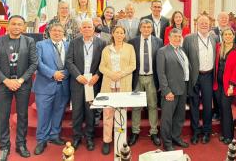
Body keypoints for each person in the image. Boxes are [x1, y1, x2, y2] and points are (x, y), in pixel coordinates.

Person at [0, 15, 38, 161]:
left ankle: (21, 144)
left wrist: (21, 80)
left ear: (23, 27)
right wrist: (6, 81)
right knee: (3, 117)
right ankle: (4, 147)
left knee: (22, 115)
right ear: (8, 26)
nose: (16, 26)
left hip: (22, 84)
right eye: (14, 24)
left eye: (19, 24)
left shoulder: (29, 41)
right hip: (3, 85)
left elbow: (34, 63)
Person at [65, 19, 106, 151]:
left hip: (93, 82)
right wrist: (78, 76)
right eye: (85, 27)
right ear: (81, 29)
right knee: (77, 111)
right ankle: (76, 137)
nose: (87, 29)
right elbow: (69, 61)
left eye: (89, 27)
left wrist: (97, 75)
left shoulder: (101, 43)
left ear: (94, 29)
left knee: (90, 112)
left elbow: (104, 62)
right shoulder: (74, 42)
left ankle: (89, 137)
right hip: (78, 81)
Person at [33, 23, 70, 155]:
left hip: (63, 85)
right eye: (54, 30)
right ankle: (41, 140)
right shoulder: (40, 45)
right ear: (49, 32)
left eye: (60, 31)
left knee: (58, 112)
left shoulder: (68, 45)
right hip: (45, 85)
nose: (57, 33)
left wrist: (64, 73)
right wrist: (53, 73)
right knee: (43, 114)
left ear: (63, 33)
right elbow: (38, 63)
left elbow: (71, 63)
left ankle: (54, 135)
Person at [99, 25, 136, 155]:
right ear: (113, 34)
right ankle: (107, 140)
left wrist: (120, 74)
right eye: (117, 32)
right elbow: (101, 67)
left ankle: (121, 139)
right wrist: (111, 74)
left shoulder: (130, 48)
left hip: (123, 84)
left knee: (121, 113)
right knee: (108, 113)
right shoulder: (106, 49)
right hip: (109, 85)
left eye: (122, 32)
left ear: (124, 35)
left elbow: (133, 65)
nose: (119, 35)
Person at [127, 19, 163, 147]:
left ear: (152, 29)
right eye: (144, 27)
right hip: (137, 77)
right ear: (140, 28)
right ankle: (135, 132)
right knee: (136, 107)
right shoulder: (133, 42)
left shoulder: (159, 42)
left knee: (153, 105)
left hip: (152, 78)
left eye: (149, 27)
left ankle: (154, 132)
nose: (147, 29)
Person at [183, 14, 217, 145]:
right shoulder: (189, 38)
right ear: (197, 24)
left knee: (208, 105)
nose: (204, 24)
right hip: (194, 76)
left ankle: (207, 131)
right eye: (201, 22)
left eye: (206, 23)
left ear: (210, 24)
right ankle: (195, 132)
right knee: (194, 105)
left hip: (208, 76)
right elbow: (185, 58)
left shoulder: (214, 38)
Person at [157, 28, 190, 151]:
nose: (177, 38)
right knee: (167, 118)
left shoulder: (181, 50)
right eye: (174, 36)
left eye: (179, 36)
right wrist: (166, 91)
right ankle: (167, 142)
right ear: (169, 38)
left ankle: (176, 137)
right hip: (170, 91)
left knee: (179, 117)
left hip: (183, 89)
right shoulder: (163, 51)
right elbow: (161, 73)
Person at [213, 28, 236, 144]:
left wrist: (231, 85)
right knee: (221, 108)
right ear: (223, 36)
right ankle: (223, 133)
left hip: (229, 84)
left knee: (226, 108)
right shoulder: (219, 46)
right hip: (218, 83)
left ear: (233, 36)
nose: (228, 36)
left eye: (230, 34)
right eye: (226, 34)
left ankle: (229, 135)